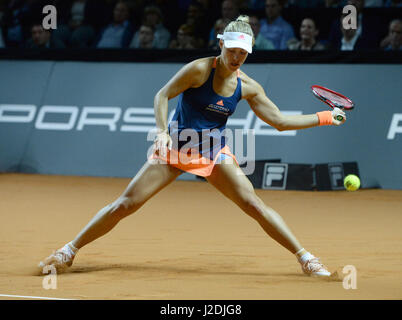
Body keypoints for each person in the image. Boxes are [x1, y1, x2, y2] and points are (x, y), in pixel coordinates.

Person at [39, 15, 346, 278]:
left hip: (213, 153)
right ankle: (68, 250)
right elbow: (162, 95)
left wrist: (324, 117)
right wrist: (161, 132)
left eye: (244, 53)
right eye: (234, 49)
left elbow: (279, 121)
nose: (238, 57)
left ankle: (306, 258)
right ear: (221, 43)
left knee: (254, 205)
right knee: (125, 205)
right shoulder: (199, 70)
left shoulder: (248, 87)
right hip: (176, 149)